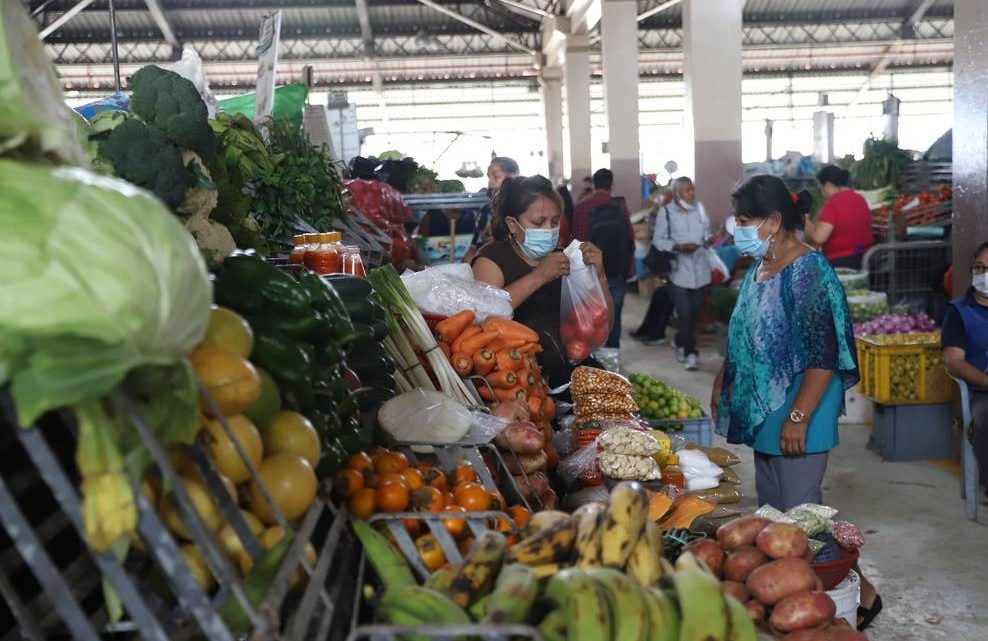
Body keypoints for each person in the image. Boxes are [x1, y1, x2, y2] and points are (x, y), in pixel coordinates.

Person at [472, 175, 614, 388]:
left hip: (574, 381)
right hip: (519, 385)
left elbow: (602, 327)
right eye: (539, 222)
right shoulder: (492, 259)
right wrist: (538, 276)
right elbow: (481, 317)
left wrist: (600, 276)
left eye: (555, 221)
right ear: (512, 224)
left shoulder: (566, 258)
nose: (549, 229)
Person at [941, 241, 988, 503]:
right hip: (982, 392)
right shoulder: (960, 312)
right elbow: (954, 361)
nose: (984, 275)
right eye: (979, 268)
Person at [568, 168, 635, 349]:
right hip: (616, 271)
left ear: (594, 184)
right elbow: (630, 237)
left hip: (587, 274)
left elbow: (574, 242)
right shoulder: (619, 206)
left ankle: (590, 355)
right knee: (614, 314)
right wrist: (630, 266)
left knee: (588, 318)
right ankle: (612, 357)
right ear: (611, 183)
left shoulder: (581, 207)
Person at [650, 176, 711, 371]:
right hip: (678, 272)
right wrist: (679, 246)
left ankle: (679, 342)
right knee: (684, 314)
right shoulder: (666, 213)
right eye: (687, 190)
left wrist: (710, 240)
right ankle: (690, 353)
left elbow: (707, 233)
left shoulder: (699, 209)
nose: (691, 193)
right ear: (677, 194)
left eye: (692, 189)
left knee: (693, 315)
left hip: (700, 270)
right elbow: (658, 241)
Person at [803, 165, 874, 270]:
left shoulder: (833, 203)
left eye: (821, 188)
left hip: (841, 262)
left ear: (827, 185)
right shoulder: (860, 199)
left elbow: (819, 237)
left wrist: (803, 218)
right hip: (865, 259)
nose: (822, 193)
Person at [464, 157, 519, 264]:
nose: (490, 183)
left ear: (514, 175)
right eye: (489, 177)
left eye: (496, 177)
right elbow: (474, 245)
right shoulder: (486, 210)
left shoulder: (521, 208)